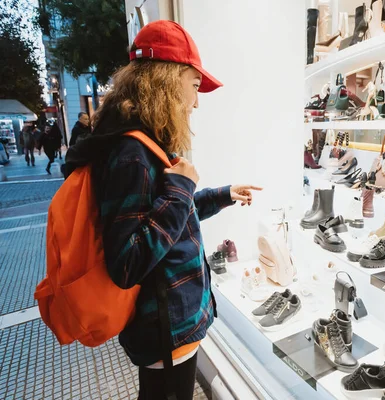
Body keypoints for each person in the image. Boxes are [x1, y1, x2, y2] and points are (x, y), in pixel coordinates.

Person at [64, 20, 261, 400]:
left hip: (168, 327)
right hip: (163, 332)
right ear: (167, 82)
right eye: (192, 85)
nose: (197, 100)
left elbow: (170, 220)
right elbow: (127, 263)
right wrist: (181, 187)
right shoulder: (131, 153)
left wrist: (222, 194)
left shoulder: (142, 142)